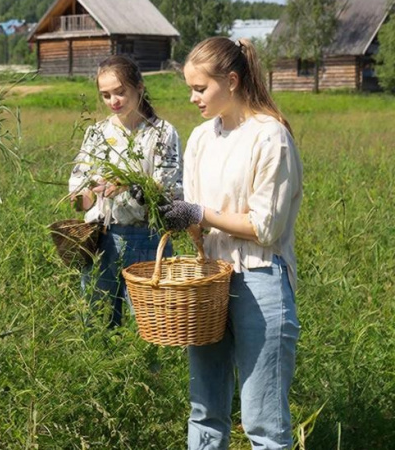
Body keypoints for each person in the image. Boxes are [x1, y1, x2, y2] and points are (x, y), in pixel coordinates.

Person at [160, 37, 303, 449]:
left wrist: (200, 213)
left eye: (200, 88)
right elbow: (195, 212)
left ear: (233, 81)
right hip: (210, 281)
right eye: (190, 88)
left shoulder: (269, 137)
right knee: (205, 412)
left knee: (264, 422)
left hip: (261, 282)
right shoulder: (203, 137)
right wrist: (182, 217)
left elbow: (266, 227)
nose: (192, 98)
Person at [68, 55, 183, 328]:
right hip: (101, 237)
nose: (113, 101)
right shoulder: (96, 133)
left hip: (147, 238)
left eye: (120, 92)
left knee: (152, 328)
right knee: (98, 324)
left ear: (139, 88)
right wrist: (81, 197)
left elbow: (167, 190)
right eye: (106, 95)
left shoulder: (161, 133)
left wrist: (129, 186)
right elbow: (81, 185)